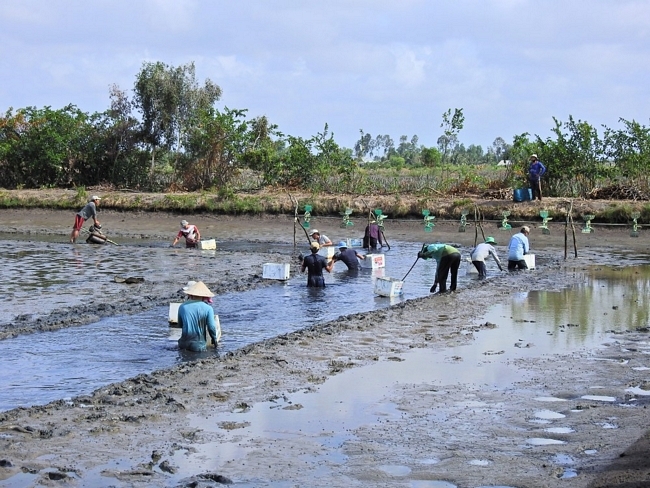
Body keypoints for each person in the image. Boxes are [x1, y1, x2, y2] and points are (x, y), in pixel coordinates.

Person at [177, 281, 218, 351]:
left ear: (190, 294)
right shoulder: (208, 309)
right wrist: (214, 339)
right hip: (198, 345)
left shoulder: (182, 306)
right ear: (203, 296)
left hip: (182, 344)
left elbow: (180, 325)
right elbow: (211, 327)